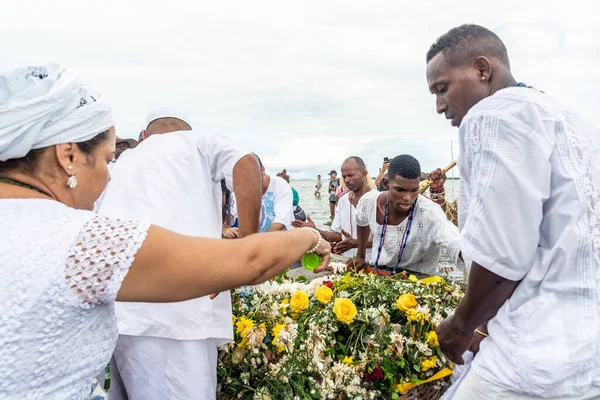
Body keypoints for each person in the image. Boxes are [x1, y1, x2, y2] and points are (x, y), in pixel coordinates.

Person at [0, 63, 331, 399]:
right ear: (68, 155)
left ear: (144, 135)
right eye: (104, 159)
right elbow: (247, 172)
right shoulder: (80, 240)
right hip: (176, 314)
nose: (109, 175)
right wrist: (306, 237)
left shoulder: (125, 167)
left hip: (122, 314)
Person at [426, 24, 600, 399]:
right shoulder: (574, 122)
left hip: (531, 357)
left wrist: (460, 326)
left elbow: (503, 257)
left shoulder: (492, 115)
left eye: (442, 88)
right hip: (588, 355)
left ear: (482, 70)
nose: (439, 106)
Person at [97, 107, 265, 400]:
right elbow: (246, 162)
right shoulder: (198, 141)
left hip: (116, 311)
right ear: (186, 129)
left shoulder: (123, 160)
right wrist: (245, 252)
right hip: (177, 310)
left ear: (145, 135)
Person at [351, 155, 464, 277]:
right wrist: (360, 255)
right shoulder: (368, 202)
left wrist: (477, 258)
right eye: (400, 190)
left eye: (414, 190)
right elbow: (361, 221)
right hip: (379, 274)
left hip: (420, 281)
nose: (407, 198)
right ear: (386, 183)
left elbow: (454, 241)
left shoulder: (429, 212)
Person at [293, 156, 377, 258]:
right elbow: (339, 236)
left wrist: (355, 243)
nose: (347, 180)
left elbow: (384, 240)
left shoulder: (377, 199)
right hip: (347, 261)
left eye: (351, 175)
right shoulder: (343, 201)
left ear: (364, 174)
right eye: (344, 176)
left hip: (372, 262)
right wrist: (315, 230)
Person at [255, 156, 294, 232]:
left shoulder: (280, 185)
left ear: (262, 170)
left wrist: (258, 241)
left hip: (282, 238)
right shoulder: (245, 188)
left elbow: (281, 221)